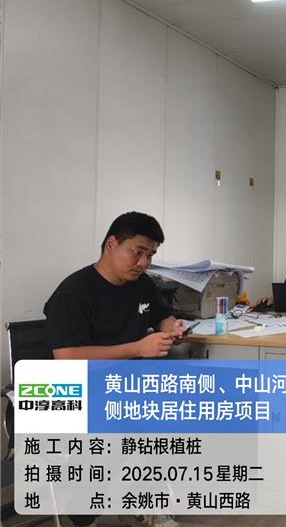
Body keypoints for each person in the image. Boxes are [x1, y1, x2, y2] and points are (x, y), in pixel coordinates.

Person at [44, 211, 186, 527]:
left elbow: (161, 315)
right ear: (111, 244)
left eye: (150, 255)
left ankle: (144, 502)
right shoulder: (74, 292)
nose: (144, 262)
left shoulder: (142, 284)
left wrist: (171, 327)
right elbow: (67, 358)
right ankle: (83, 516)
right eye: (137, 252)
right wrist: (137, 348)